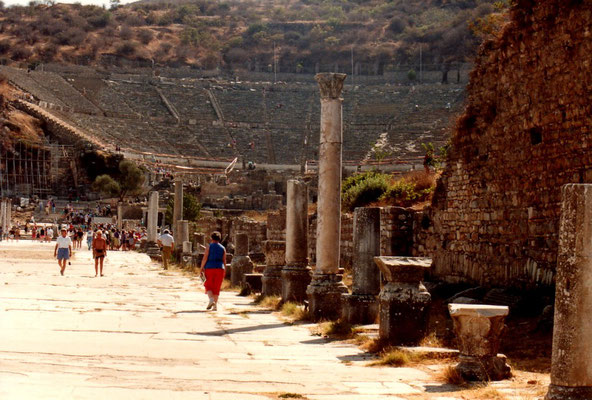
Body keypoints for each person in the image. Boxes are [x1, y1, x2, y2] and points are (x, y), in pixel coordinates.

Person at [198, 231, 226, 311]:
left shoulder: (209, 247)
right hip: (220, 268)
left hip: (210, 267)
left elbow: (205, 258)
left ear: (211, 238)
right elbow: (224, 260)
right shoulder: (223, 248)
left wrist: (202, 267)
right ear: (219, 239)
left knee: (208, 285)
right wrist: (225, 270)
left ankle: (211, 299)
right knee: (217, 287)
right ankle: (215, 306)